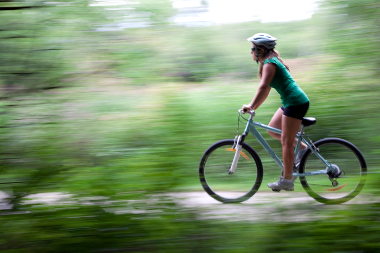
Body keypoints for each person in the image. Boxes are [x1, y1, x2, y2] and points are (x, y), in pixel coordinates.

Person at [241, 33, 310, 191]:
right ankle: (303, 148)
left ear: (261, 49)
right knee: (272, 129)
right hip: (290, 101)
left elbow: (263, 87)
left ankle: (287, 180)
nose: (251, 52)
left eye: (253, 49)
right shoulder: (269, 62)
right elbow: (265, 91)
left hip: (295, 102)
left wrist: (251, 106)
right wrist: (253, 108)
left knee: (286, 141)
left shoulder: (270, 64)